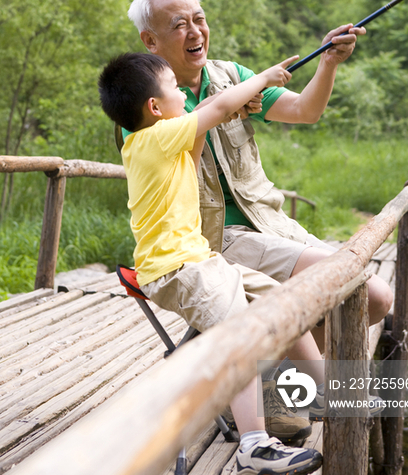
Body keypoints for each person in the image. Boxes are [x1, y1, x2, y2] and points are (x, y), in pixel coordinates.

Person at [126, 0, 394, 424]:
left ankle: (277, 378)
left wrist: (326, 63)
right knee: (363, 290)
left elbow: (305, 110)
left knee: (377, 299)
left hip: (271, 224)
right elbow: (191, 129)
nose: (195, 32)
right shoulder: (141, 105)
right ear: (150, 40)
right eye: (179, 25)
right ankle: (292, 387)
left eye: (200, 19)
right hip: (214, 241)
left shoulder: (233, 77)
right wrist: (229, 105)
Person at [98, 51, 323, 475]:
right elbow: (214, 108)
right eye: (173, 87)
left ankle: (327, 392)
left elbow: (208, 116)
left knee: (286, 303)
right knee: (239, 334)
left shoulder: (164, 136)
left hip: (202, 259)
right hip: (176, 268)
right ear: (154, 107)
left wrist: (231, 104)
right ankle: (254, 446)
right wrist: (263, 79)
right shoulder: (150, 140)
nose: (183, 92)